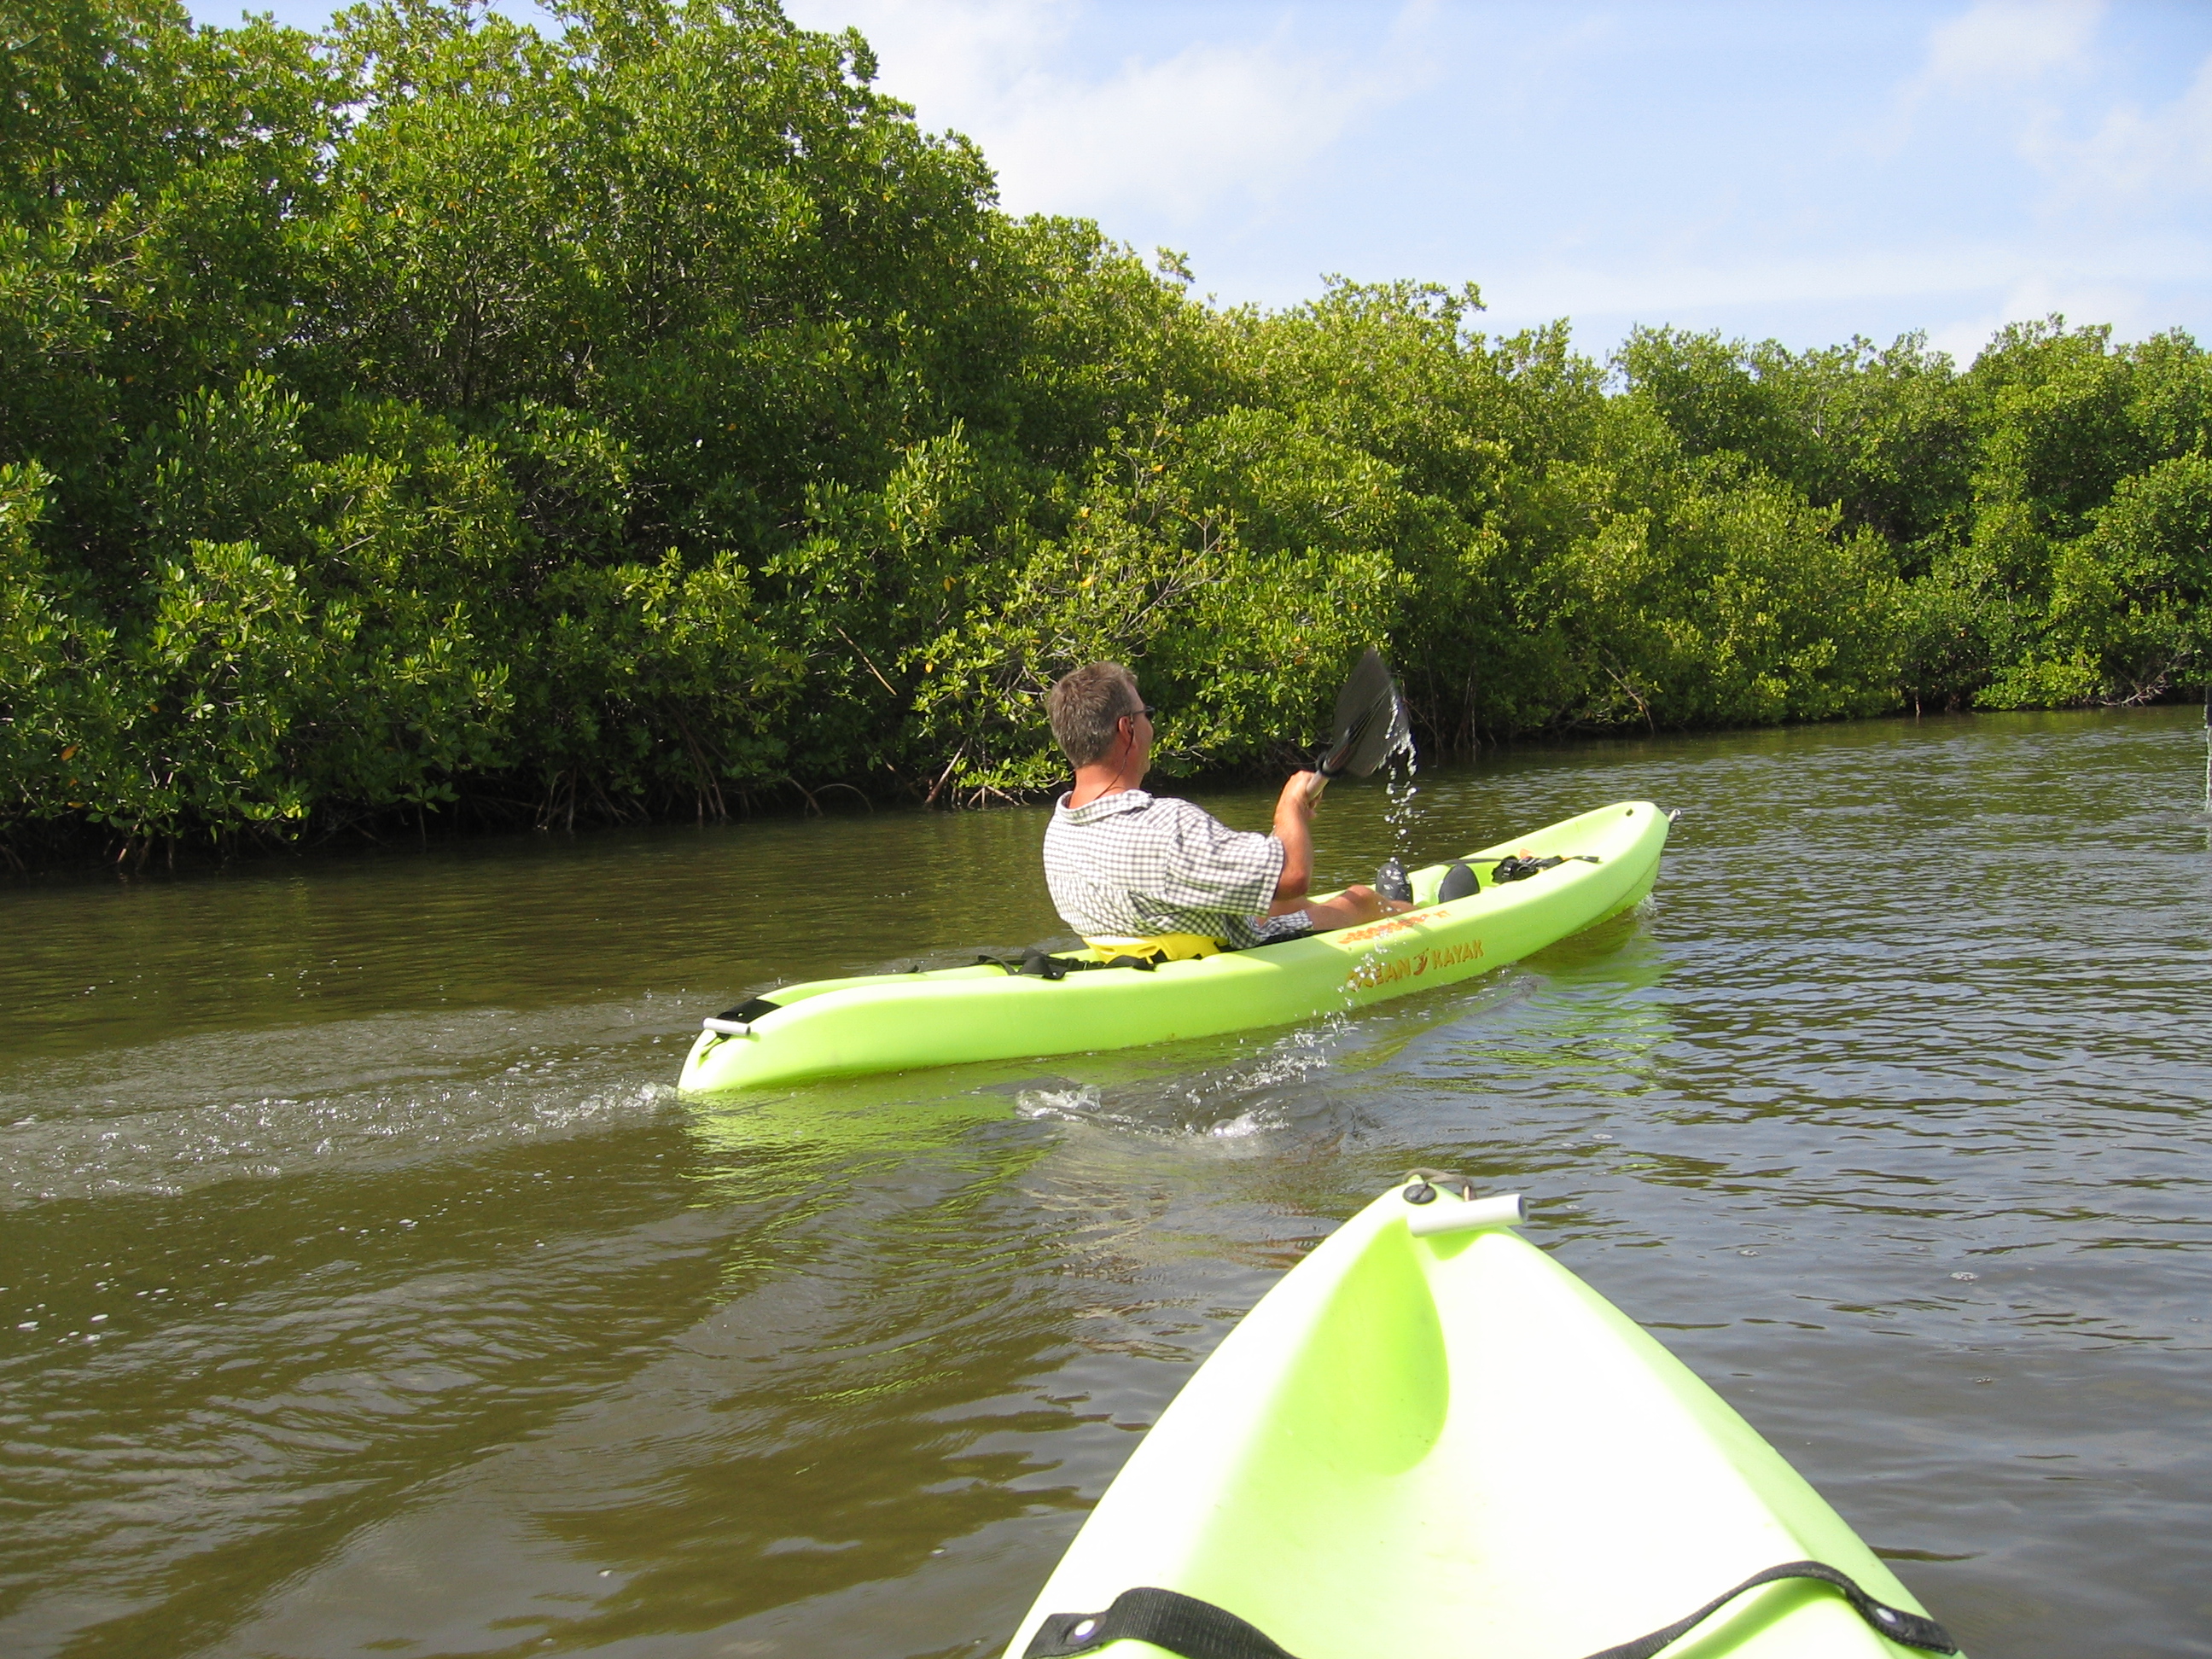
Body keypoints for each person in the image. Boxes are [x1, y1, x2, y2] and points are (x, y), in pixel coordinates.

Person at [1041, 661, 1410, 958]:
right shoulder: (1165, 826)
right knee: (1360, 899)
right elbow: (1292, 875)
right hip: (1219, 953)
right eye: (1145, 713)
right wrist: (1291, 809)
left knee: (1282, 905)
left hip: (1146, 949)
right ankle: (1417, 915)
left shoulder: (1059, 829)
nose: (1149, 724)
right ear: (1127, 729)